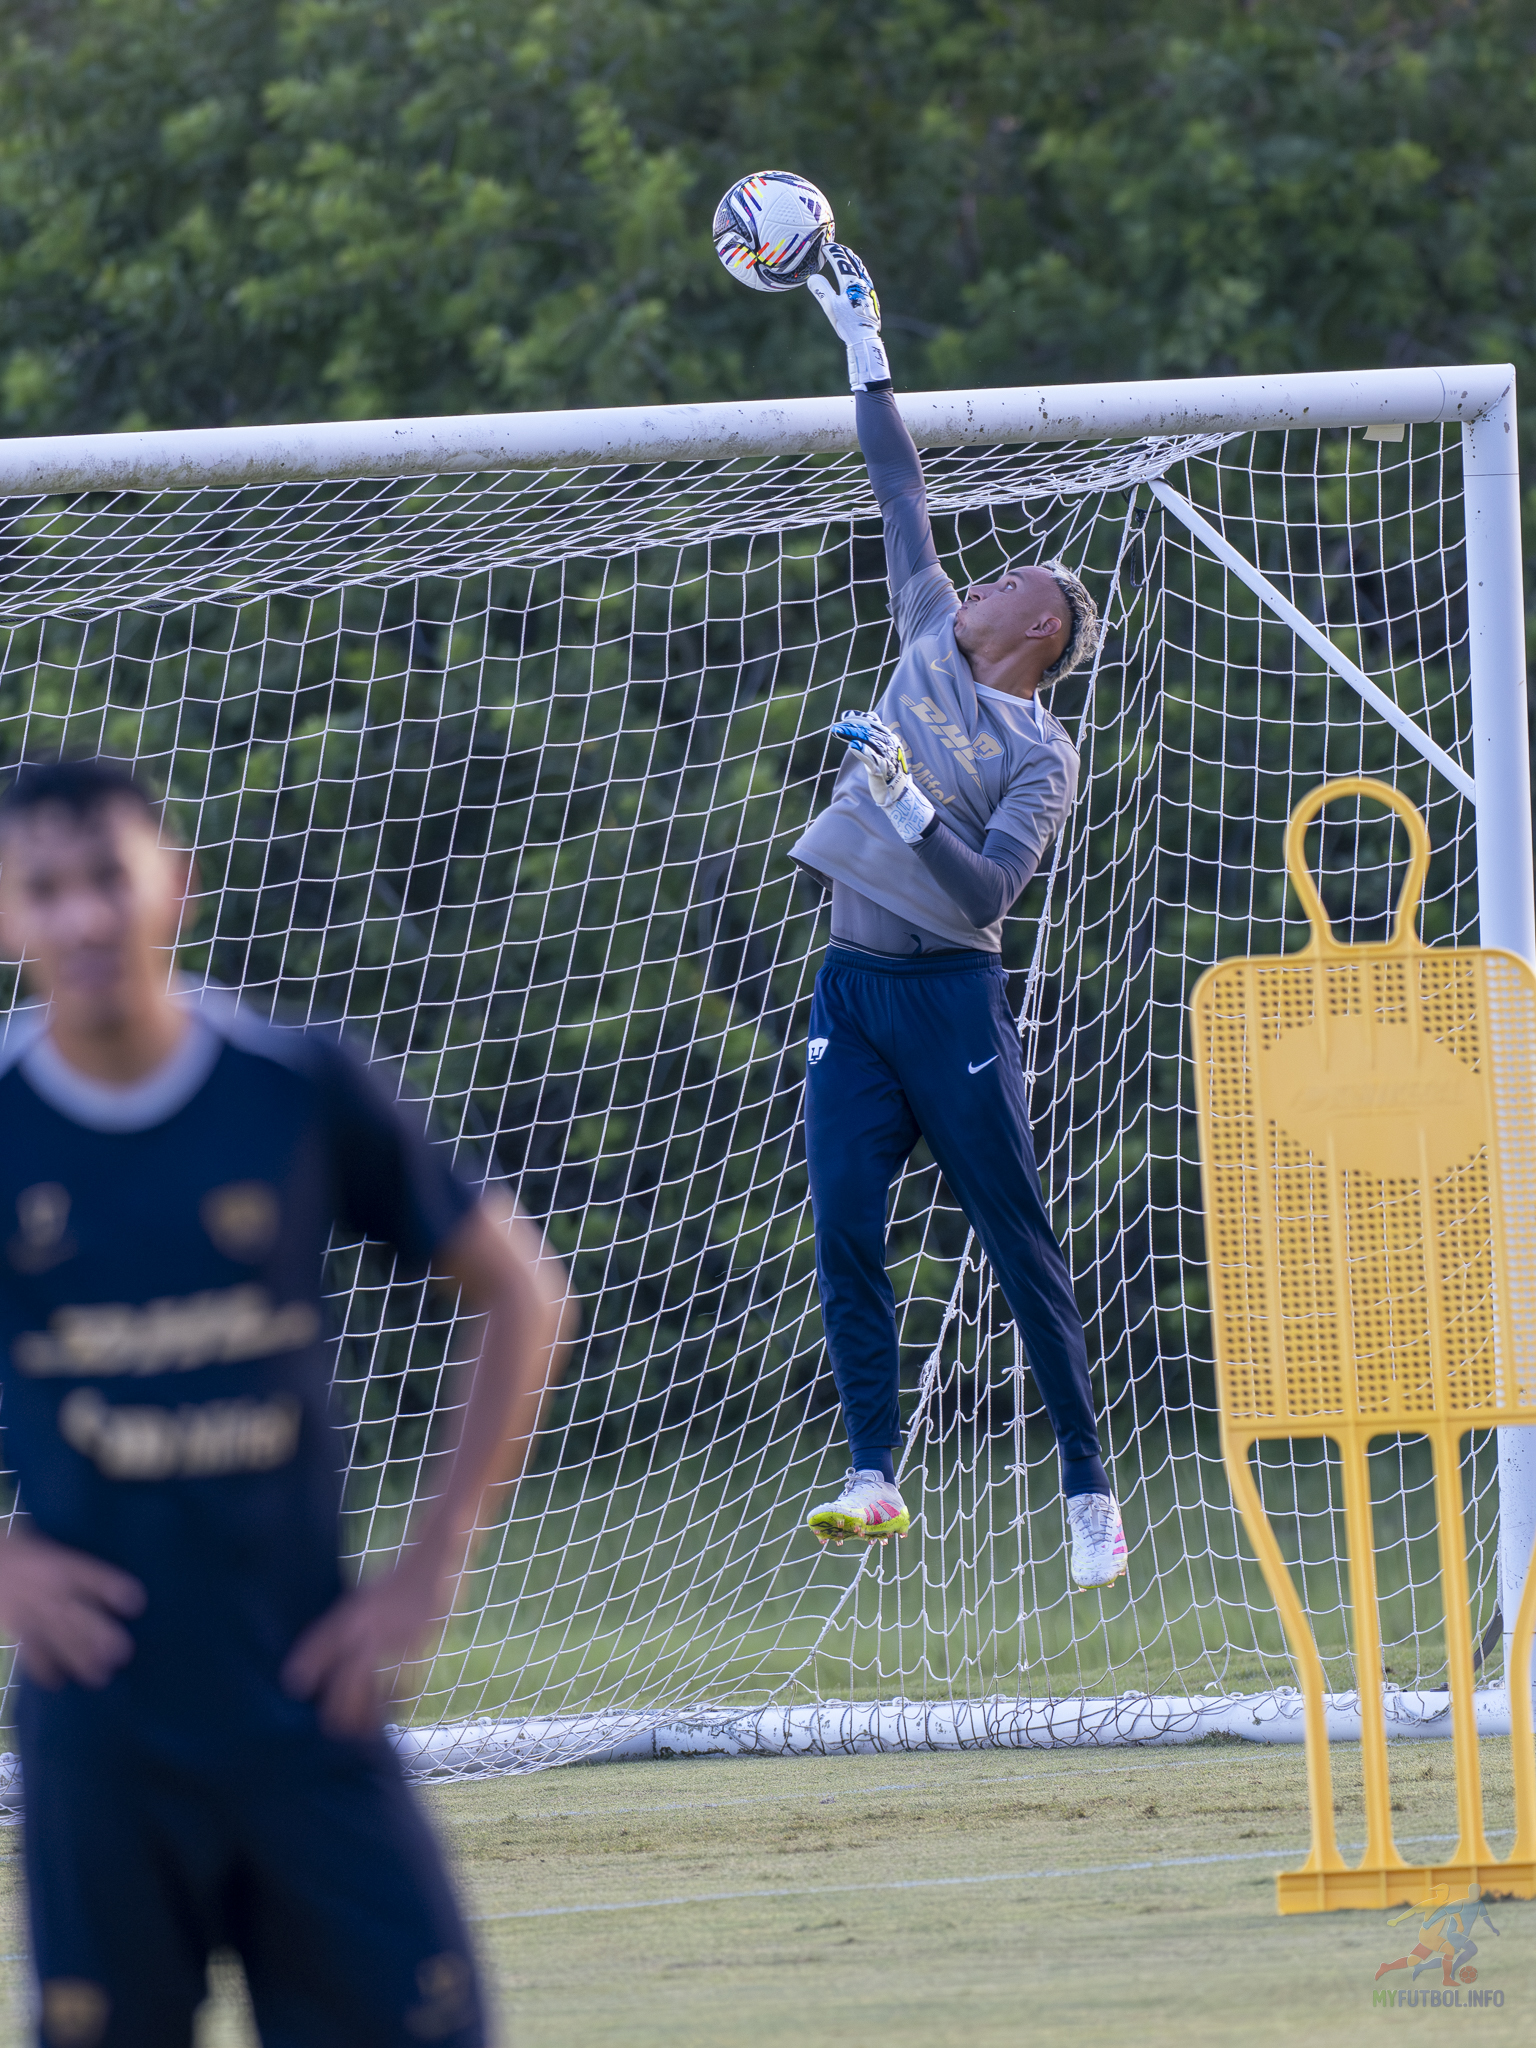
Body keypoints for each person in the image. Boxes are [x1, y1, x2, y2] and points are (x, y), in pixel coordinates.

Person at [0, 757, 566, 2047]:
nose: (82, 916)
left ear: (173, 886)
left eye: (107, 878)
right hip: (101, 1728)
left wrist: (428, 1569)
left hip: (308, 1692)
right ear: (6, 915)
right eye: (45, 888)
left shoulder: (296, 1085)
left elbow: (522, 1293)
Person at [790, 244, 1125, 1590]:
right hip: (851, 990)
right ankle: (873, 1473)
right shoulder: (928, 625)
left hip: (950, 1003)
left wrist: (906, 799)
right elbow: (899, 485)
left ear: (1041, 631)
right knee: (842, 1223)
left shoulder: (1043, 751)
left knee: (1016, 1241)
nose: (978, 583)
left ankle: (1089, 1488)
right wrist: (862, 345)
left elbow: (989, 894)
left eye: (1008, 585)